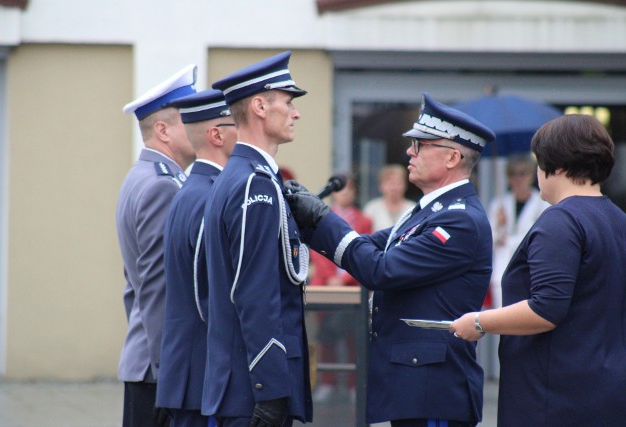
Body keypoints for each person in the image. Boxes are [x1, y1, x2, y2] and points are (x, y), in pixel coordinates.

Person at [286, 92, 496, 426]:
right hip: (416, 386)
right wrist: (307, 222)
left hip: (433, 392)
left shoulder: (459, 220)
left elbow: (380, 269)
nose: (409, 153)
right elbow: (368, 247)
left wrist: (323, 218)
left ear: (453, 157)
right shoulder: (429, 211)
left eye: (421, 145)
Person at [451, 114, 626, 426]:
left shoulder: (561, 221)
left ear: (555, 167)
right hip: (605, 387)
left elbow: (546, 309)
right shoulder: (617, 218)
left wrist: (478, 322)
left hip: (555, 394)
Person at [202, 51, 313, 426]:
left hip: (238, 383)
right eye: (288, 102)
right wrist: (270, 390)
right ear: (260, 106)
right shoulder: (255, 184)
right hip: (252, 389)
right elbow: (255, 293)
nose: (295, 112)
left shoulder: (240, 176)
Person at [117, 64, 198, 427]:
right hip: (160, 374)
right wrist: (171, 373)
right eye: (189, 119)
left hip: (147, 364)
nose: (201, 126)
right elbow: (157, 288)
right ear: (162, 130)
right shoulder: (162, 186)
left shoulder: (142, 176)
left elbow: (133, 288)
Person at [155, 89, 237, 427]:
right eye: (237, 125)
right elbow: (208, 296)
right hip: (202, 370)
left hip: (189, 368)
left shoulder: (193, 188)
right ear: (216, 134)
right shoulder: (210, 196)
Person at [309, 174, 372, 403]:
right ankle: (327, 383)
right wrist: (329, 277)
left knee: (353, 337)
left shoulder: (364, 220)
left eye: (349, 189)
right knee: (325, 336)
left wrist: (344, 279)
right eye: (341, 189)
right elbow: (317, 250)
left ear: (355, 192)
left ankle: (356, 386)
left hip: (351, 287)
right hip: (324, 287)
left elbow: (365, 250)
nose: (345, 193)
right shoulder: (321, 216)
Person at [487, 153, 549, 308]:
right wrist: (499, 227)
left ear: (531, 175)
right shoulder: (499, 204)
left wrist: (507, 240)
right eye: (512, 174)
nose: (518, 179)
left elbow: (537, 239)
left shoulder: (542, 204)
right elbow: (489, 239)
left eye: (522, 173)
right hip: (502, 271)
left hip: (530, 271)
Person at [363, 164, 416, 230]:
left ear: (405, 185)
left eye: (398, 183)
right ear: (381, 186)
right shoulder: (372, 208)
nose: (394, 188)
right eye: (389, 183)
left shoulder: (413, 208)